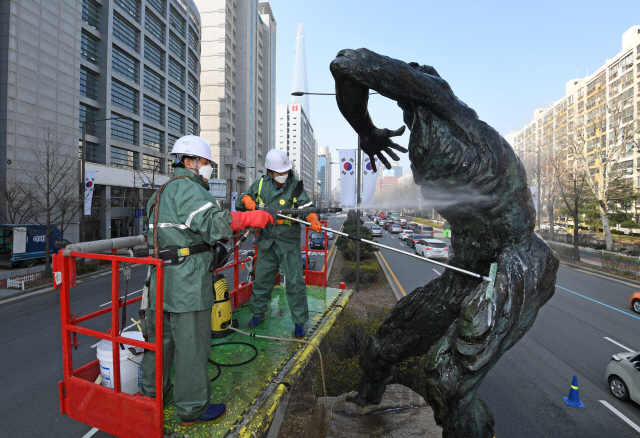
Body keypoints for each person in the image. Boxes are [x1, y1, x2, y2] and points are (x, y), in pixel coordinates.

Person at [140, 135, 274, 426]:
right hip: (186, 285)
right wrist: (250, 219)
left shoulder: (160, 192)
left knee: (158, 345)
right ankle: (192, 409)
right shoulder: (190, 190)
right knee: (191, 348)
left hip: (159, 282)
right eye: (205, 162)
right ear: (190, 162)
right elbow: (214, 225)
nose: (208, 167)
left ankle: (151, 397)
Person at [235, 149, 322, 339]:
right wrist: (246, 200)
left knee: (294, 282)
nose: (283, 175)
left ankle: (299, 321)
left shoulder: (295, 186)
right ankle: (258, 313)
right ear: (270, 171)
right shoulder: (260, 185)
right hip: (266, 239)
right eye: (279, 172)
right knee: (262, 279)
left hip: (288, 241)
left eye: (285, 171)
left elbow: (305, 205)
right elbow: (240, 204)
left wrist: (312, 216)